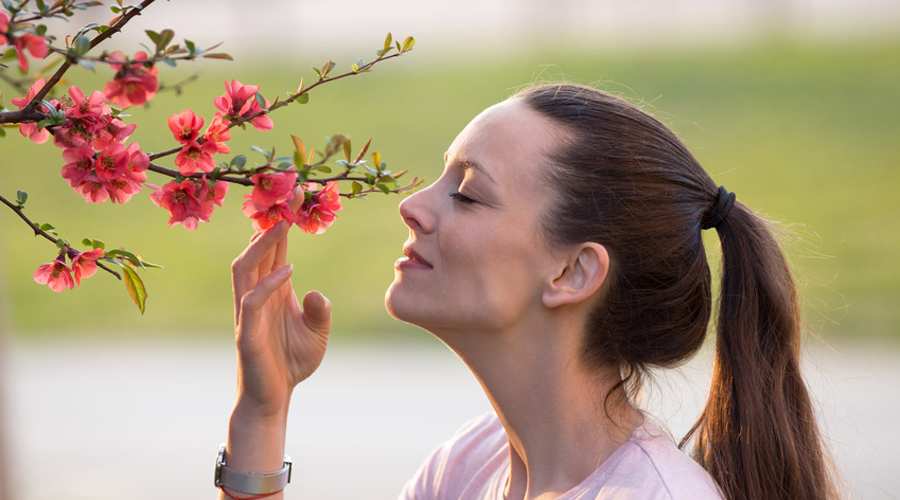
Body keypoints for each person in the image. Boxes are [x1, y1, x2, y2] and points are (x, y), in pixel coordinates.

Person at [219, 83, 839, 500]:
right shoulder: (469, 465)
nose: (411, 206)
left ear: (573, 273)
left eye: (466, 194)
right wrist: (262, 411)